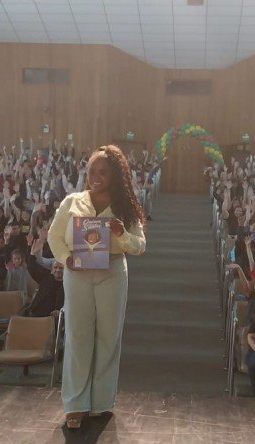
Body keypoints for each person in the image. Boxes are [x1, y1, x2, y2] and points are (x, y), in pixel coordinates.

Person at [47, 144, 146, 429]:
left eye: (103, 171)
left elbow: (139, 246)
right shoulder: (72, 201)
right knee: (78, 337)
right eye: (92, 170)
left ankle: (101, 402)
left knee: (107, 338)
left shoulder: (126, 206)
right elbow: (54, 237)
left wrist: (121, 233)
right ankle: (75, 405)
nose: (96, 176)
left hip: (112, 272)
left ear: (116, 175)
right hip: (77, 274)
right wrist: (67, 260)